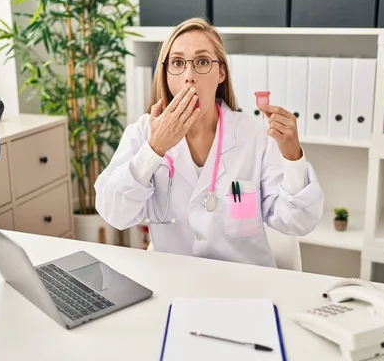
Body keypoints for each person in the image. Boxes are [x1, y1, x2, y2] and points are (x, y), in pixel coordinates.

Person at [95, 17, 324, 267]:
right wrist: (154, 149)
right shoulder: (142, 133)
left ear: (221, 73)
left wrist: (293, 158)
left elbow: (297, 221)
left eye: (202, 61)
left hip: (244, 283)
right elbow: (114, 213)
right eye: (178, 63)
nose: (189, 76)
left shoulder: (255, 134)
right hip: (175, 279)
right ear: (165, 73)